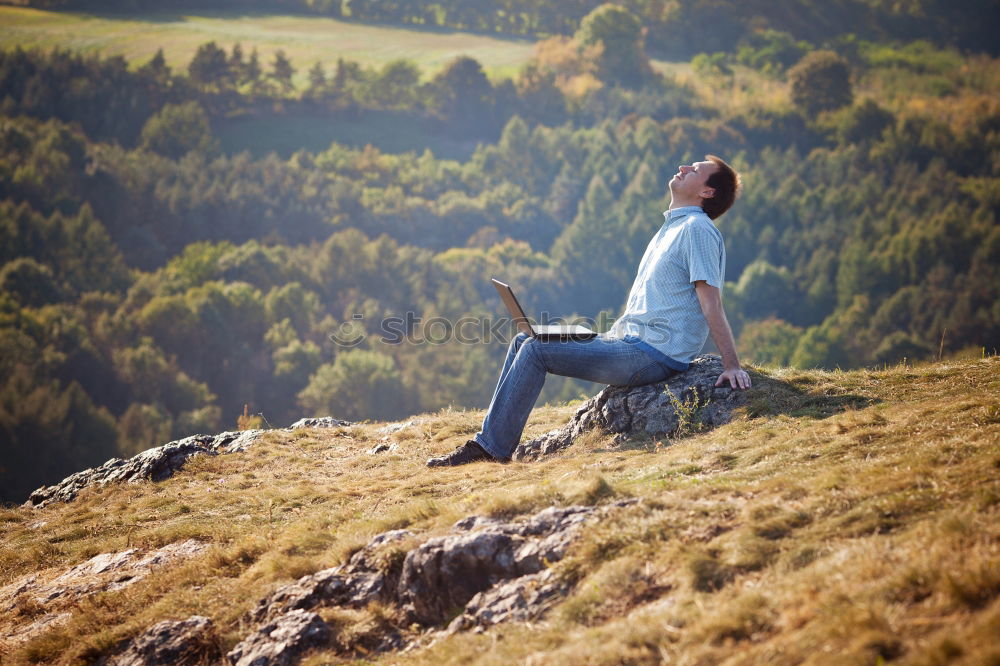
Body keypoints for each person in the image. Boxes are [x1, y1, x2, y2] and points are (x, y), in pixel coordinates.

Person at [427, 154, 750, 467]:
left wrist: (731, 364)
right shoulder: (672, 228)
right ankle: (488, 440)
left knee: (537, 351)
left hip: (652, 354)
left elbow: (711, 301)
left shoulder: (697, 230)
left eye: (694, 169)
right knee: (522, 342)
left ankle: (491, 448)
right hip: (628, 342)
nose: (683, 168)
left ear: (707, 192)